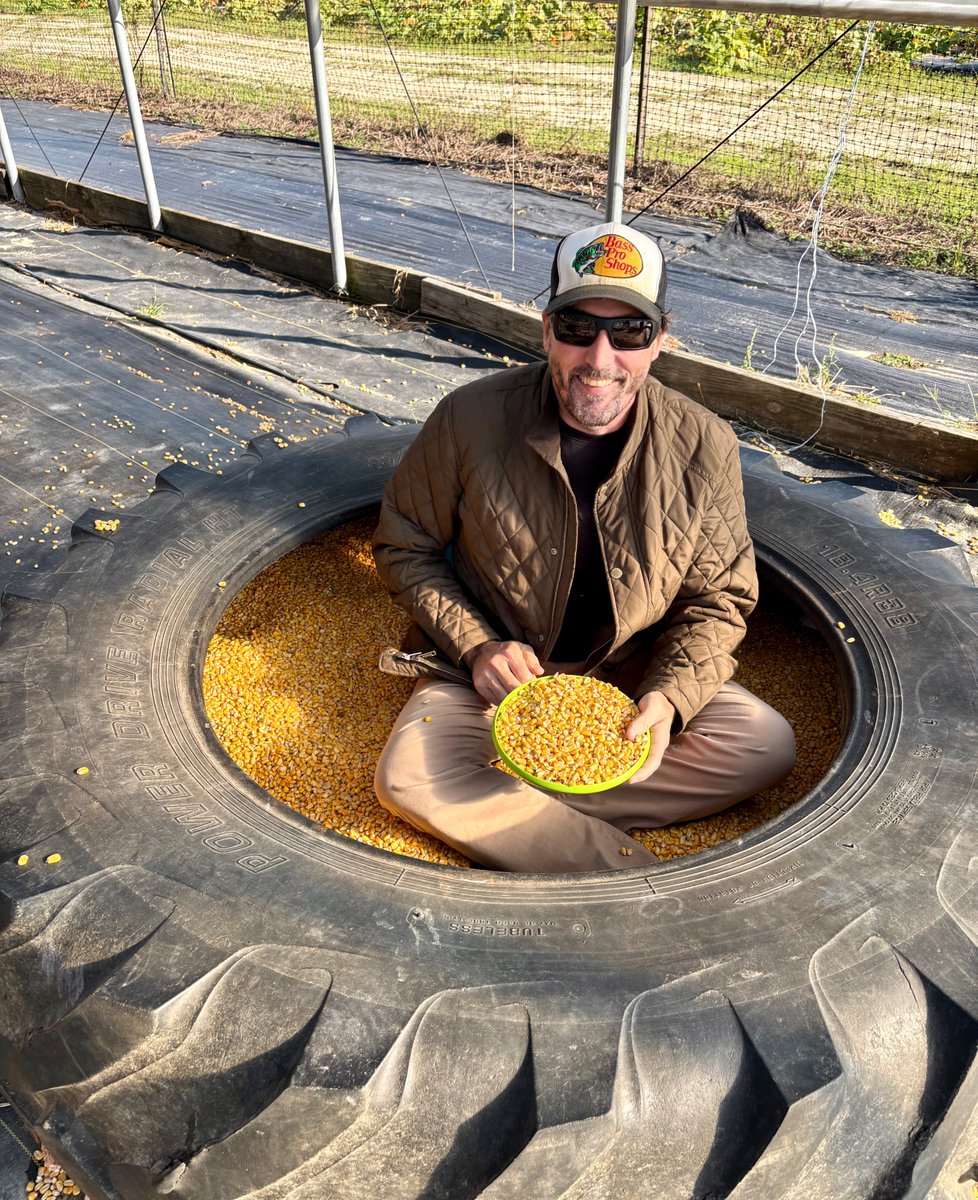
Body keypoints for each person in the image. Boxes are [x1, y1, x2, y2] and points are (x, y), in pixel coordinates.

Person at [371, 220, 796, 873]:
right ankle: (627, 875)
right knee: (404, 780)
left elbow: (719, 600)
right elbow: (405, 544)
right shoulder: (469, 419)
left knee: (764, 743)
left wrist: (671, 697)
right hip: (490, 682)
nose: (600, 358)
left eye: (629, 332)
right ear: (547, 330)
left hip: (625, 678)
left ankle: (503, 799)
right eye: (578, 328)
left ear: (659, 342)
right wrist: (476, 645)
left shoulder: (705, 445)